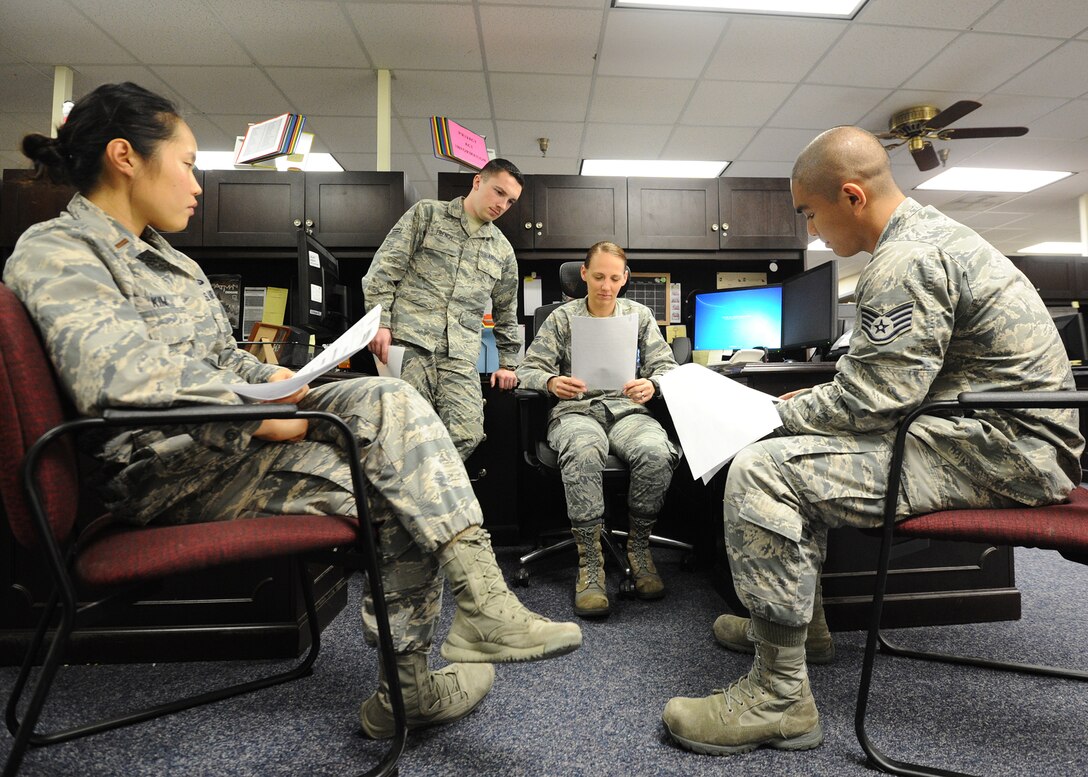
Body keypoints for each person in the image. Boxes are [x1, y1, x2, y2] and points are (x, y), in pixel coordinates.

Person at [4, 82, 582, 742]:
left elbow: (224, 357)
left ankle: (482, 603)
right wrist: (254, 414)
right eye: (189, 163)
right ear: (124, 157)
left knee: (391, 402)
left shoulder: (176, 264)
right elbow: (116, 377)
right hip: (171, 469)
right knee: (401, 486)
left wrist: (272, 377)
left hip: (228, 441)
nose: (198, 183)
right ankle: (412, 686)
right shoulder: (58, 251)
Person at [661, 125, 1084, 756]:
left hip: (1005, 451)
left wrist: (771, 416)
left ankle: (779, 698)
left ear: (852, 196)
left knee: (764, 468)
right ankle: (802, 634)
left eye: (810, 213)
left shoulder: (904, 259)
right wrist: (802, 408)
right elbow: (888, 386)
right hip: (1003, 437)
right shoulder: (929, 236)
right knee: (799, 454)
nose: (812, 231)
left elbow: (873, 399)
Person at [517, 242, 679, 617]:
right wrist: (551, 382)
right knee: (584, 450)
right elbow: (528, 370)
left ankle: (638, 549)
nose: (606, 286)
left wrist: (653, 384)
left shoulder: (639, 315)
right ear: (584, 275)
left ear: (624, 279)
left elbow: (667, 368)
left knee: (656, 452)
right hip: (576, 411)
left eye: (614, 278)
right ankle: (590, 564)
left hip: (626, 410)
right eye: (599, 276)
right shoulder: (561, 318)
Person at [362, 158, 524, 461]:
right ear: (478, 181)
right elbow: (384, 270)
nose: (502, 205)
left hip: (459, 354)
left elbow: (506, 310)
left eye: (510, 201)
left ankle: (420, 485)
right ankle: (409, 489)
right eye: (499, 192)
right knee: (410, 430)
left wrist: (508, 364)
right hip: (410, 341)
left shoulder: (502, 249)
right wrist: (380, 322)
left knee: (467, 434)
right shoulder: (428, 214)